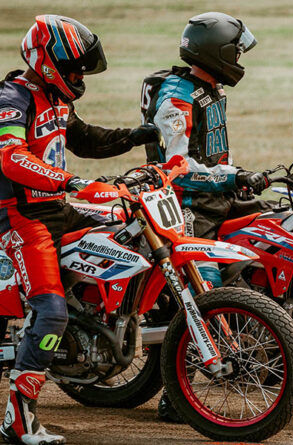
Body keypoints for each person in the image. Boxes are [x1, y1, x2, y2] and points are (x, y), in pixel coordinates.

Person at [0, 15, 159, 445]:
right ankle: (19, 419)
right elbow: (11, 157)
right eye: (74, 68)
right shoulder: (12, 98)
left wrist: (134, 137)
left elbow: (84, 138)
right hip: (21, 217)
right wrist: (68, 181)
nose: (79, 76)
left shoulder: (55, 98)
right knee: (51, 312)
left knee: (128, 231)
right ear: (48, 62)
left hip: (56, 210)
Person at [140, 11, 266, 421]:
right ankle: (177, 394)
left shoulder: (207, 88)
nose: (240, 59)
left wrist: (240, 178)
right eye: (236, 51)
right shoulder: (178, 95)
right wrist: (234, 174)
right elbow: (179, 164)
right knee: (201, 291)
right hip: (184, 206)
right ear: (217, 53)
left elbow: (211, 155)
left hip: (217, 198)